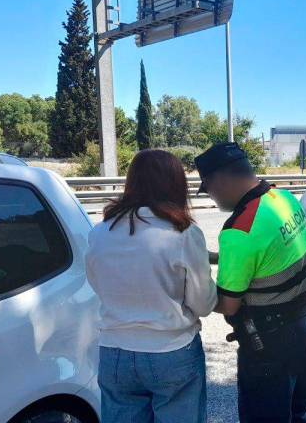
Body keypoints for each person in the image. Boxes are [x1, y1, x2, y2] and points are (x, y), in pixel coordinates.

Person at [85, 150, 217, 423]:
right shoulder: (183, 233)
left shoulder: (100, 232)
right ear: (176, 184)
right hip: (171, 350)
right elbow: (203, 304)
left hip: (114, 351)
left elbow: (96, 283)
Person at [195, 142, 306, 423]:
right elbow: (269, 255)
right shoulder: (283, 198)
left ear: (220, 179)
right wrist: (216, 257)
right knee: (296, 415)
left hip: (271, 347)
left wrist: (191, 290)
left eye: (209, 188)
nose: (213, 198)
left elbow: (229, 305)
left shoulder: (239, 229)